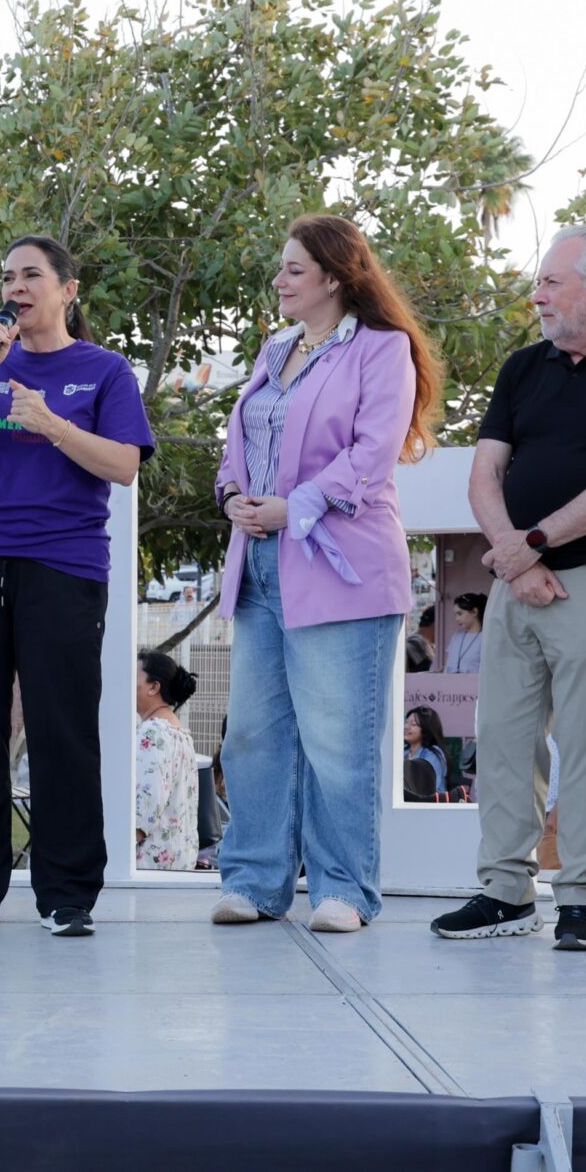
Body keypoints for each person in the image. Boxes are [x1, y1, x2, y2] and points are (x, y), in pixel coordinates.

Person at [434, 225, 586, 952]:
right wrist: (518, 561)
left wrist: (533, 544)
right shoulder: (523, 367)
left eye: (550, 281)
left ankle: (582, 898)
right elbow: (484, 475)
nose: (537, 295)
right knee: (503, 739)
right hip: (517, 580)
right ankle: (504, 893)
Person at [213, 215, 441, 934]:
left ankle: (344, 889)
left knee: (339, 744)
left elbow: (372, 455)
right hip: (259, 567)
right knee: (253, 736)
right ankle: (254, 882)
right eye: (281, 268)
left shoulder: (383, 349)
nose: (279, 280)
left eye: (294, 269)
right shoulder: (275, 349)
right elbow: (240, 444)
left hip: (343, 572)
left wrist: (296, 507)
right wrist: (233, 496)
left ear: (336, 278)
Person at [0, 234, 155, 936]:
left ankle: (66, 893)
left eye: (31, 275)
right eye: (7, 277)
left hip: (65, 563)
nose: (16, 288)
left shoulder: (104, 370)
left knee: (62, 726)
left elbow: (123, 466)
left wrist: (52, 424)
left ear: (68, 289)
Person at [133, 651, 200, 871]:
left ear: (153, 687)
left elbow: (145, 806)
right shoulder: (181, 733)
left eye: (133, 676)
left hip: (147, 867)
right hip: (179, 863)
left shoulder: (152, 732)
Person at [403, 706, 449, 801]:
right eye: (406, 722)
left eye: (413, 724)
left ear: (425, 729)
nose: (406, 727)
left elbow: (428, 789)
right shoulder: (405, 752)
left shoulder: (432, 755)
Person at [443, 594, 487, 674]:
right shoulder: (456, 638)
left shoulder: (485, 638)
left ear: (474, 612)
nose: (457, 619)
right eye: (456, 615)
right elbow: (448, 666)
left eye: (460, 614)